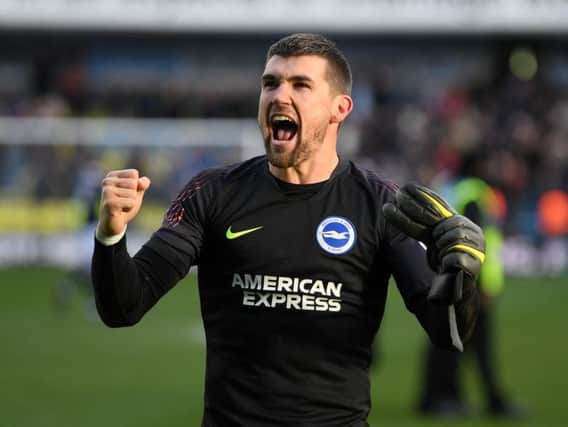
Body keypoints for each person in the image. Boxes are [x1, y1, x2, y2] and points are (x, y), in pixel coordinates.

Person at [91, 33, 485, 426]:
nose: (279, 96)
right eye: (270, 83)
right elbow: (124, 307)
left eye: (300, 85)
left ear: (340, 108)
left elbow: (448, 332)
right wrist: (111, 234)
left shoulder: (381, 204)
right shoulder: (211, 193)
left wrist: (460, 274)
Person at [417, 152, 526, 419]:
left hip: (444, 273)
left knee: (446, 340)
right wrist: (477, 284)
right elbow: (472, 241)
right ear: (479, 165)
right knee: (476, 344)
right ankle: (488, 401)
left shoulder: (450, 189)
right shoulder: (477, 192)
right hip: (469, 280)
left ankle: (438, 398)